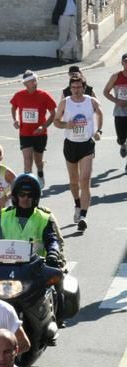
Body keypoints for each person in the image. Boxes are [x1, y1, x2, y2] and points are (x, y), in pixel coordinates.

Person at [54, 75, 103, 232]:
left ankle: (83, 216)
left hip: (86, 145)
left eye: (78, 87)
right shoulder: (65, 103)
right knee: (74, 181)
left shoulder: (91, 101)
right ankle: (77, 204)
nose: (76, 90)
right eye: (73, 87)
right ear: (70, 88)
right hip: (70, 145)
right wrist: (65, 125)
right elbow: (56, 121)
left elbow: (100, 114)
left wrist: (98, 130)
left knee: (85, 180)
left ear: (83, 87)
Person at [0, 173, 61, 260]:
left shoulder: (45, 219)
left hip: (36, 268)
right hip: (5, 266)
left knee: (57, 272)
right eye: (22, 194)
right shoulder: (3, 217)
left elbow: (52, 240)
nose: (25, 198)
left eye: (30, 195)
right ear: (15, 197)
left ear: (35, 198)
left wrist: (53, 253)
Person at [10, 71, 56, 189]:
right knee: (27, 160)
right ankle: (28, 185)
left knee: (38, 161)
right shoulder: (19, 95)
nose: (34, 83)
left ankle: (40, 173)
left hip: (40, 134)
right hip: (25, 133)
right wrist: (15, 120)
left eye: (35, 80)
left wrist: (44, 126)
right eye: (31, 81)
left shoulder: (44, 95)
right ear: (25, 84)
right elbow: (13, 107)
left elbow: (53, 114)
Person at [103, 53, 127, 170]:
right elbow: (106, 91)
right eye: (126, 62)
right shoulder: (115, 77)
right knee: (121, 138)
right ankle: (123, 145)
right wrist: (116, 100)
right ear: (122, 63)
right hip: (120, 112)